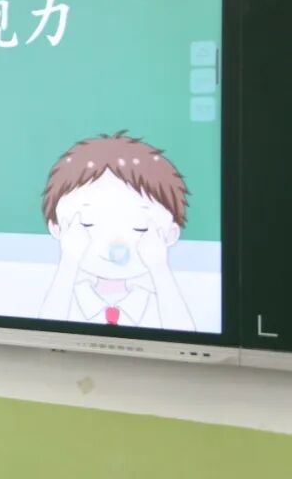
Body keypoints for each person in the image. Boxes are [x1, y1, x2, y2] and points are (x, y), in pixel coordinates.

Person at [38, 131, 195, 330]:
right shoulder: (65, 294)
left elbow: (185, 333)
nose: (115, 243)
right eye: (87, 224)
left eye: (140, 227)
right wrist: (69, 262)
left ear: (171, 235)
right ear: (56, 228)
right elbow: (44, 330)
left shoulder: (160, 300)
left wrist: (159, 268)